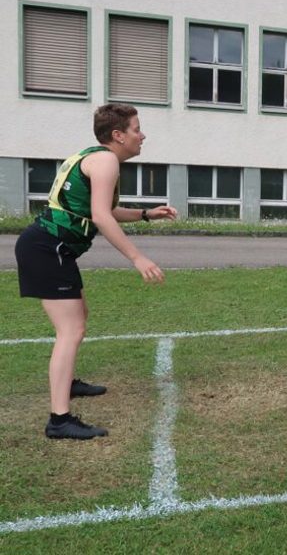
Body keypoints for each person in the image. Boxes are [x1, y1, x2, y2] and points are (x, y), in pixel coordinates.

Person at [15, 104, 178, 440]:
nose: (142, 135)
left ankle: (68, 382)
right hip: (48, 248)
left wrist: (147, 214)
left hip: (50, 248)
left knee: (78, 318)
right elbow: (102, 217)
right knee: (71, 329)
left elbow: (104, 210)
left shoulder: (95, 156)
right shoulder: (106, 161)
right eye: (136, 129)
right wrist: (137, 257)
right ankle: (59, 420)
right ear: (117, 135)